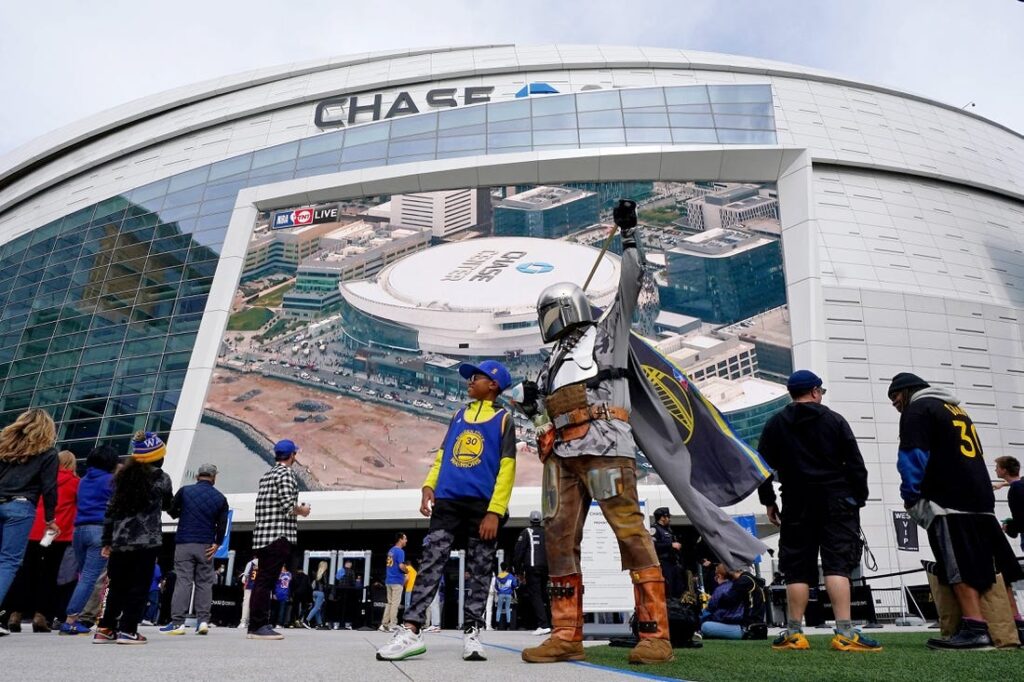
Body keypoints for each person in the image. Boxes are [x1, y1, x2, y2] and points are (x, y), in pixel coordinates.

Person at [518, 202, 673, 665]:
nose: (546, 322)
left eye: (549, 313)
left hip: (604, 447)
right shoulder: (550, 364)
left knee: (629, 530)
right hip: (561, 457)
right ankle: (566, 633)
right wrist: (533, 408)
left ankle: (656, 635)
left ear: (564, 311)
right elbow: (542, 423)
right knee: (557, 538)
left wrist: (630, 235)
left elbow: (631, 283)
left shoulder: (608, 335)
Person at [376, 359, 516, 662]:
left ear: (493, 385)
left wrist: (495, 511)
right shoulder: (458, 415)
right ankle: (411, 630)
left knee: (480, 570)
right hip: (448, 502)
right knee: (430, 563)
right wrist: (429, 484)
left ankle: (472, 633)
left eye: (476, 377)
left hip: (482, 506)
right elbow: (443, 455)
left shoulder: (504, 419)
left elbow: (507, 468)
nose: (470, 381)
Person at [889, 372, 1024, 649]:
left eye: (895, 396)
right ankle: (1015, 625)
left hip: (949, 499)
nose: (894, 403)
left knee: (958, 564)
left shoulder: (918, 409)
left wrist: (910, 495)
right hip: (981, 497)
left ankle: (975, 628)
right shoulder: (955, 409)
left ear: (908, 391)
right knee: (995, 566)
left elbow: (912, 455)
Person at [757, 370, 880, 652]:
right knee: (837, 565)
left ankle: (794, 633)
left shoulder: (775, 424)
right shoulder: (834, 420)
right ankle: (845, 632)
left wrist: (769, 501)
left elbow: (761, 467)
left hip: (796, 502)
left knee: (797, 568)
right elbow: (856, 465)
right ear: (814, 391)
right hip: (836, 501)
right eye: (821, 391)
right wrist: (858, 499)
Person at [94, 431, 174, 644]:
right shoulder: (161, 477)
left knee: (117, 586)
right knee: (139, 586)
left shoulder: (122, 477)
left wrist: (107, 541)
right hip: (146, 541)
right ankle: (128, 630)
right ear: (156, 457)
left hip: (120, 540)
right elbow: (169, 505)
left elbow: (110, 511)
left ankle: (105, 628)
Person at [0, 408, 59, 637]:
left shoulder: (4, 447)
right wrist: (50, 519)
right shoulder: (48, 453)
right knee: (8, 562)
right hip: (21, 507)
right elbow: (49, 488)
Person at [5, 449, 78, 633]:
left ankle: (15, 613)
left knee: (25, 573)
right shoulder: (75, 483)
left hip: (32, 530)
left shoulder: (41, 479)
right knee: (49, 576)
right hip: (57, 534)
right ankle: (41, 615)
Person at [246, 439, 310, 640]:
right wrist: (303, 510)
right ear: (292, 456)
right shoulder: (286, 474)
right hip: (278, 536)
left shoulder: (267, 475)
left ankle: (255, 625)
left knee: (261, 581)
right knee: (266, 582)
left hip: (262, 536)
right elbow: (288, 506)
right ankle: (259, 626)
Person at [161, 463, 229, 635]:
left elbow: (171, 510)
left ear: (198, 476)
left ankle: (178, 623)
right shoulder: (220, 498)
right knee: (204, 583)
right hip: (206, 545)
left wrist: (180, 513)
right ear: (214, 478)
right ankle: (203, 621)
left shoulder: (185, 491)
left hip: (184, 542)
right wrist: (217, 543)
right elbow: (222, 524)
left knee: (183, 581)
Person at [60, 445, 119, 635]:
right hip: (99, 530)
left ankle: (75, 616)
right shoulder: (111, 481)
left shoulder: (83, 480)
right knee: (90, 577)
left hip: (79, 531)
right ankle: (71, 619)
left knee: (83, 576)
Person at [699, 565, 767, 640]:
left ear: (719, 576)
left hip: (747, 628)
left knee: (705, 626)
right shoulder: (748, 579)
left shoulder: (741, 583)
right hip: (755, 625)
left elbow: (725, 609)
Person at [512, 510, 550, 635]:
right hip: (545, 568)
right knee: (544, 594)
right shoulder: (546, 532)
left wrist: (518, 571)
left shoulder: (526, 532)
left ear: (530, 520)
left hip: (532, 568)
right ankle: (551, 622)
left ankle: (543, 625)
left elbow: (518, 553)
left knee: (535, 595)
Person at [652, 507, 684, 599]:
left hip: (673, 562)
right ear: (662, 518)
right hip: (663, 562)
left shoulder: (667, 529)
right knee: (667, 586)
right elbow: (653, 546)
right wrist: (671, 545)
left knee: (677, 586)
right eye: (668, 517)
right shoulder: (655, 529)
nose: (669, 519)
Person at [379, 532, 408, 632]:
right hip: (397, 580)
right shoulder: (400, 551)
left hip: (389, 580)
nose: (406, 541)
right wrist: (407, 571)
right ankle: (392, 624)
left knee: (389, 603)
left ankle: (384, 624)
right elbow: (401, 566)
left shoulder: (391, 550)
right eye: (405, 539)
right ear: (400, 539)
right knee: (395, 604)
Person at [994, 456, 1024, 552]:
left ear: (1005, 470)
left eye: (997, 467)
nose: (995, 470)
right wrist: (1002, 484)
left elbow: (1021, 522)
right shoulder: (1020, 484)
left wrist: (1008, 526)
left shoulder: (1015, 490)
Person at [494, 563, 518, 630]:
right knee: (508, 609)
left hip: (501, 594)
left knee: (500, 609)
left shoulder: (498, 576)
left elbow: (496, 586)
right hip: (508, 594)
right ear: (507, 568)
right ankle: (509, 624)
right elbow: (514, 584)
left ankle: (499, 624)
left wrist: (500, 591)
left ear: (501, 568)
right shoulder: (510, 576)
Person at [305, 561, 329, 629]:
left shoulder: (316, 573)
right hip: (320, 593)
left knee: (317, 609)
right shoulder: (324, 573)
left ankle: (320, 623)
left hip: (314, 592)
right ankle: (306, 620)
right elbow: (325, 585)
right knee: (316, 608)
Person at [237, 557, 258, 630]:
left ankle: (243, 622)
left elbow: (244, 578)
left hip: (249, 586)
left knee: (246, 604)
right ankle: (252, 622)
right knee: (255, 605)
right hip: (258, 587)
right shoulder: (264, 563)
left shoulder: (250, 563)